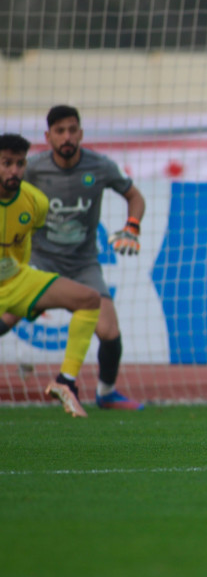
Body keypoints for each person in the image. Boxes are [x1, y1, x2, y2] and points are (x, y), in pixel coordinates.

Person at [0, 106, 146, 410]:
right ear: (48, 136)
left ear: (80, 133)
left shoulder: (100, 166)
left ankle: (105, 392)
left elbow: (135, 196)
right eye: (60, 131)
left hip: (83, 264)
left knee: (110, 331)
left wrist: (132, 226)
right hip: (42, 260)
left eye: (72, 130)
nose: (67, 136)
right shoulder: (33, 168)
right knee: (7, 317)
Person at [0, 132, 103, 418]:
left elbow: (24, 243)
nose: (14, 171)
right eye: (6, 163)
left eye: (20, 164)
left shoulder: (36, 202)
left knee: (89, 299)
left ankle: (64, 381)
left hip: (18, 280)